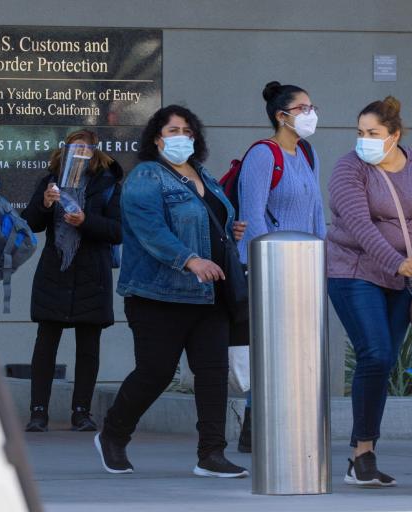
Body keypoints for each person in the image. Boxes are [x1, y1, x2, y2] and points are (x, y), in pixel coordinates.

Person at [94, 105, 248, 477]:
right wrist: (190, 259)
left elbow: (209, 217)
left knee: (212, 373)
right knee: (156, 372)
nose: (182, 136)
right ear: (156, 138)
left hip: (209, 293)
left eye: (188, 131)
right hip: (159, 294)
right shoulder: (146, 176)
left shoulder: (202, 174)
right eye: (173, 130)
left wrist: (229, 231)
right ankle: (113, 434)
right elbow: (150, 230)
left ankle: (211, 453)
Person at [327, 96, 412, 486]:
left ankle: (362, 456)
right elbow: (360, 226)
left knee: (384, 363)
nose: (364, 140)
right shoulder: (348, 168)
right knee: (376, 353)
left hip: (401, 279)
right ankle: (361, 454)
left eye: (373, 133)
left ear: (395, 136)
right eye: (359, 132)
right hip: (353, 271)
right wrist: (395, 261)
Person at [235, 81, 327, 453]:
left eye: (311, 106)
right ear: (281, 116)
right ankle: (255, 428)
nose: (311, 113)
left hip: (306, 269)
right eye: (303, 108)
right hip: (272, 270)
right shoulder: (262, 155)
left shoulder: (307, 152)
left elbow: (317, 211)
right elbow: (252, 215)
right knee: (272, 351)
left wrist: (321, 258)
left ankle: (287, 425)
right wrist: (267, 267)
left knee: (299, 352)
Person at [21, 130, 122, 432]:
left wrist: (85, 221)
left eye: (85, 148)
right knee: (46, 344)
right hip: (55, 270)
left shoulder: (107, 183)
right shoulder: (51, 180)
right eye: (74, 148)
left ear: (95, 152)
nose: (79, 153)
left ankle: (82, 411)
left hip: (93, 272)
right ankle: (38, 412)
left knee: (88, 345)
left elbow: (118, 230)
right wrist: (45, 203)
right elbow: (30, 223)